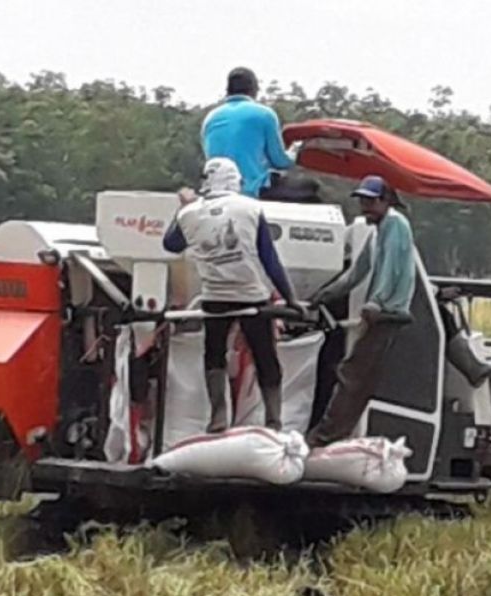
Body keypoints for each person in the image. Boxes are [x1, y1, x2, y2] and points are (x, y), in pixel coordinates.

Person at [162, 157, 303, 433]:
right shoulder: (250, 208)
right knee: (265, 356)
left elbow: (170, 244)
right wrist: (291, 298)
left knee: (214, 354)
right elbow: (269, 259)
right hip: (251, 296)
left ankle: (218, 416)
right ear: (235, 180)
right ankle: (274, 421)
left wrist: (183, 208)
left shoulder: (189, 213)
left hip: (215, 296)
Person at [304, 175, 417, 447]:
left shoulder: (395, 225)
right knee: (358, 376)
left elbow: (392, 268)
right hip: (381, 310)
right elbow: (357, 272)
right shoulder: (377, 232)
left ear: (385, 201)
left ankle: (324, 436)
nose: (364, 207)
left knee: (352, 375)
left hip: (388, 312)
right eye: (362, 201)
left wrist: (375, 302)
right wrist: (323, 295)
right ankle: (332, 433)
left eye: (370, 201)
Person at [201, 67, 319, 202]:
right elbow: (280, 162)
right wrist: (295, 151)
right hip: (253, 189)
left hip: (216, 190)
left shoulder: (210, 118)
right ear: (254, 89)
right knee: (311, 187)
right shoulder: (264, 114)